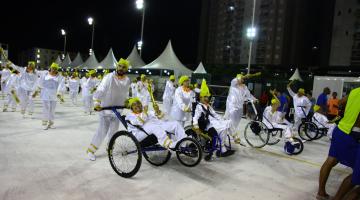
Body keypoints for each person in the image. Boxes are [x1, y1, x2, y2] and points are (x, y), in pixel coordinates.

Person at [316, 87, 360, 200]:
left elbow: (340, 103)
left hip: (340, 129)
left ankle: (320, 193)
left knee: (331, 160)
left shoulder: (355, 91)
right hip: (352, 134)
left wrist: (347, 112)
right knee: (357, 173)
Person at [87, 58, 131, 161]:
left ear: (126, 69)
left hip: (117, 111)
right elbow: (101, 89)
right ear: (117, 66)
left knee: (113, 132)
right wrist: (97, 102)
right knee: (102, 131)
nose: (121, 68)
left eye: (124, 67)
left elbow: (125, 93)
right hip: (105, 110)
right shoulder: (109, 77)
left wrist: (127, 102)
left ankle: (109, 148)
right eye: (120, 66)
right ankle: (91, 151)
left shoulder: (127, 80)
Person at [192, 79, 235, 160]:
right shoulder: (199, 106)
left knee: (224, 127)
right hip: (204, 125)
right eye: (204, 97)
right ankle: (219, 149)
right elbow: (195, 117)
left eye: (207, 97)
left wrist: (222, 120)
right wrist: (196, 126)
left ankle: (221, 148)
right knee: (219, 132)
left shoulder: (208, 106)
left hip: (209, 124)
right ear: (200, 97)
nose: (206, 99)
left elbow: (215, 114)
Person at [224, 73, 257, 143]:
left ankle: (230, 132)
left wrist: (254, 99)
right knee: (231, 120)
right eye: (240, 78)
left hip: (240, 107)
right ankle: (234, 135)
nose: (241, 80)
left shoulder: (245, 87)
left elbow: (249, 95)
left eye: (242, 79)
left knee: (236, 122)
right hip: (232, 105)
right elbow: (235, 80)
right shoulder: (233, 85)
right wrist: (244, 76)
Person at [38, 63, 65, 130]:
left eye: (55, 69)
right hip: (45, 94)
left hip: (54, 94)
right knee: (46, 109)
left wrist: (59, 93)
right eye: (53, 68)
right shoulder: (45, 74)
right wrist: (39, 89)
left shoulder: (59, 77)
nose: (54, 70)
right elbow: (40, 82)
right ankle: (45, 123)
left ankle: (51, 123)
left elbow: (60, 85)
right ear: (51, 68)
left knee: (52, 110)